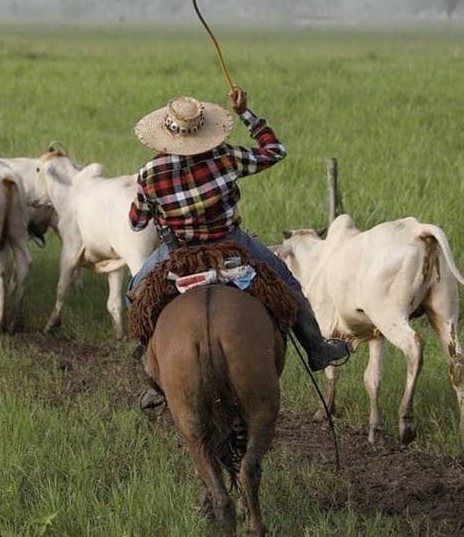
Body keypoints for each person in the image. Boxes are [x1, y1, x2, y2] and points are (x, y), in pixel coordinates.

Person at [128, 87, 349, 406]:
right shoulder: (226, 156)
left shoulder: (149, 173)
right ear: (203, 131)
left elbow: (136, 222)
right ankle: (318, 349)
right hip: (231, 244)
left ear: (167, 133)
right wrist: (246, 112)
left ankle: (154, 372)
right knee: (288, 285)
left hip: (177, 253)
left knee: (136, 292)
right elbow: (275, 151)